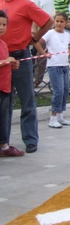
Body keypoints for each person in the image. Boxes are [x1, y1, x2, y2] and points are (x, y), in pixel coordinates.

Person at [0, 0, 53, 154]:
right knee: (3, 102)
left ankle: (30, 139)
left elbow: (48, 21)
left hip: (20, 56)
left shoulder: (25, 4)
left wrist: (34, 38)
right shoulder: (0, 3)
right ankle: (3, 142)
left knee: (26, 99)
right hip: (2, 59)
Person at [35, 12, 70, 128]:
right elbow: (38, 43)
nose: (59, 23)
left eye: (62, 21)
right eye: (57, 21)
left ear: (66, 23)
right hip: (54, 66)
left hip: (64, 65)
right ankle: (53, 117)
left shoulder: (67, 35)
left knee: (64, 90)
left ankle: (60, 115)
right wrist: (44, 54)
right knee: (58, 91)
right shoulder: (50, 33)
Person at [30, 0, 60, 87]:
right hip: (42, 31)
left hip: (57, 31)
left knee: (57, 55)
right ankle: (37, 80)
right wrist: (33, 28)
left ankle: (57, 80)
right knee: (41, 56)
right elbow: (31, 14)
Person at [0, 10, 23, 157]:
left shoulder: (3, 43)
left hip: (5, 86)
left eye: (4, 24)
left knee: (4, 116)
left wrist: (11, 64)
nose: (1, 27)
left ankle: (3, 143)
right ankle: (3, 145)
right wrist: (5, 61)